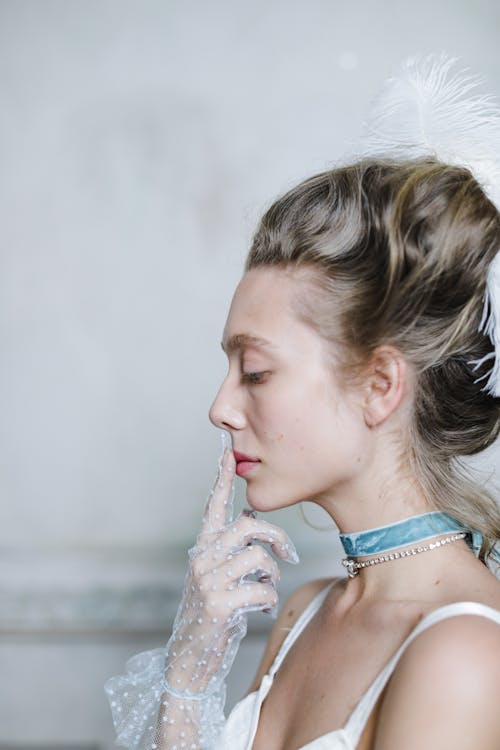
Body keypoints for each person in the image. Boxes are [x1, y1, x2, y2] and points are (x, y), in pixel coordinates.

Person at [105, 55, 500, 750]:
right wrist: (189, 677)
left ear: (380, 385)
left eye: (254, 371)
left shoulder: (463, 655)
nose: (220, 408)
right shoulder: (303, 614)